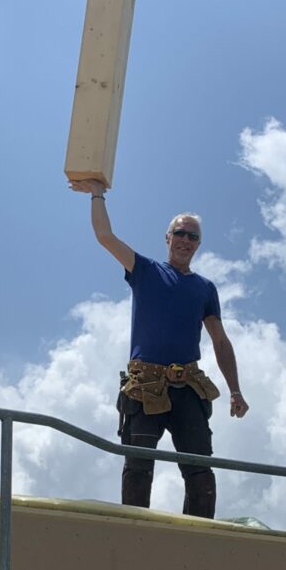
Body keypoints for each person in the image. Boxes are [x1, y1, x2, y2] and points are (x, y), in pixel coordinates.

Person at [70, 178, 249, 518]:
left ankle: (198, 534)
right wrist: (97, 194)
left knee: (200, 470)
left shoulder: (205, 288)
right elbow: (105, 236)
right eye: (179, 233)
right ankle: (134, 533)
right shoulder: (146, 270)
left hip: (188, 386)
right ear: (167, 238)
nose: (185, 240)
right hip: (146, 385)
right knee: (138, 466)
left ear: (198, 245)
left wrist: (235, 390)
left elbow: (220, 340)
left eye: (192, 236)